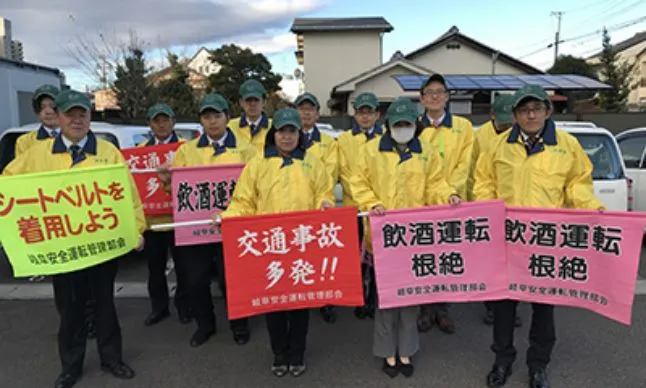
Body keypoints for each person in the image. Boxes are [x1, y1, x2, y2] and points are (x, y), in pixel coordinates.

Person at [3, 90, 146, 388]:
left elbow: (129, 195)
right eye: (71, 114)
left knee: (105, 305)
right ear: (59, 116)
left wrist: (137, 229)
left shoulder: (108, 153)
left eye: (83, 114)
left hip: (102, 245)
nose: (77, 120)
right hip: (64, 248)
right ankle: (70, 366)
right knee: (70, 310)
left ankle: (112, 359)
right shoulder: (37, 155)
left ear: (90, 117)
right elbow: (9, 185)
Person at [473, 85, 605, 388]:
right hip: (508, 239)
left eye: (536, 109)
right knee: (504, 309)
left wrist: (590, 208)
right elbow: (484, 183)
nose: (530, 114)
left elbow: (577, 186)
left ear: (547, 111)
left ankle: (538, 365)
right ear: (515, 114)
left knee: (543, 310)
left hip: (547, 242)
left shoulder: (567, 146)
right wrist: (487, 210)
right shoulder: (498, 146)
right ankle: (502, 361)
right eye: (523, 110)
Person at [350, 97, 461, 378]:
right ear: (388, 125)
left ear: (416, 125)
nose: (403, 128)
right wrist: (371, 202)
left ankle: (406, 350)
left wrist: (448, 195)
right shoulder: (371, 150)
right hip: (382, 237)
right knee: (386, 299)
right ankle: (387, 351)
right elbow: (358, 182)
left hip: (413, 238)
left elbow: (435, 182)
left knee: (410, 297)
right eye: (397, 124)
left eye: (408, 124)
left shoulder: (427, 152)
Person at [220, 107, 335, 378]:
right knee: (273, 303)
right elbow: (243, 201)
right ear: (274, 134)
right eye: (281, 131)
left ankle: (297, 354)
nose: (286, 137)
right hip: (270, 246)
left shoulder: (312, 162)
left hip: (302, 244)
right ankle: (278, 354)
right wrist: (227, 217)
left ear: (299, 134)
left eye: (292, 131)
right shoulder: (259, 163)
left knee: (299, 305)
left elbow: (323, 192)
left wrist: (325, 205)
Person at [159, 93, 256, 348]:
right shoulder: (186, 151)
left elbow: (257, 186)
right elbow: (178, 192)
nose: (212, 122)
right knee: (196, 279)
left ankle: (239, 324)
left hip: (233, 226)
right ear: (200, 121)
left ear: (227, 117)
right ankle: (205, 325)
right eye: (207, 117)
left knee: (232, 279)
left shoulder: (247, 149)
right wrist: (167, 182)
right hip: (196, 228)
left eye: (217, 116)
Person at [416, 73, 474, 335]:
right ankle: (425, 308)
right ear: (422, 99)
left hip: (452, 203)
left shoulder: (463, 127)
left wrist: (449, 192)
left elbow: (466, 164)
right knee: (425, 255)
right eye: (429, 92)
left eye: (439, 92)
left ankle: (443, 308)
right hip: (421, 204)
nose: (435, 97)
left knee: (447, 256)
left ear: (448, 97)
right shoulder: (413, 127)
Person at [467, 95, 521, 328]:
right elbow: (475, 174)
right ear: (492, 116)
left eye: (511, 123)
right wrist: (481, 205)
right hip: (488, 209)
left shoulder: (521, 138)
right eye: (503, 123)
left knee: (516, 265)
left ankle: (512, 305)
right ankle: (492, 305)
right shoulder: (481, 137)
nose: (507, 127)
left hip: (517, 213)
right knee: (491, 263)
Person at [139, 103, 191, 326]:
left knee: (184, 268)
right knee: (155, 268)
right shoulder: (140, 151)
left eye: (165, 119)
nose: (161, 124)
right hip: (153, 222)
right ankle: (159, 308)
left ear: (173, 122)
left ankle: (184, 306)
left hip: (179, 220)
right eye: (156, 120)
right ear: (150, 124)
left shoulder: (186, 149)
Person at [294, 92, 339, 324]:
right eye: (302, 109)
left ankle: (325, 301)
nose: (306, 113)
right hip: (293, 209)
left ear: (318, 113)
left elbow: (328, 175)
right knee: (298, 258)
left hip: (319, 208)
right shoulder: (286, 138)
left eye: (310, 109)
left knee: (321, 258)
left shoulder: (329, 143)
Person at [337, 92, 382, 320]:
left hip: (377, 208)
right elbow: (343, 172)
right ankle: (358, 297)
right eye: (361, 112)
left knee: (377, 257)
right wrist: (360, 194)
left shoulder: (385, 139)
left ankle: (374, 298)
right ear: (354, 115)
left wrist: (373, 197)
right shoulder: (344, 140)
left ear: (377, 114)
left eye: (369, 112)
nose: (365, 117)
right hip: (353, 208)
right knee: (355, 257)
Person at [14, 84, 61, 157]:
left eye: (52, 106)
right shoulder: (24, 142)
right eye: (42, 107)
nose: (48, 111)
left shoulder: (75, 138)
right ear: (37, 111)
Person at [228, 79, 272, 152]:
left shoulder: (274, 127)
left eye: (256, 100)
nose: (252, 104)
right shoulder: (230, 127)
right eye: (248, 100)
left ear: (264, 102)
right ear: (241, 102)